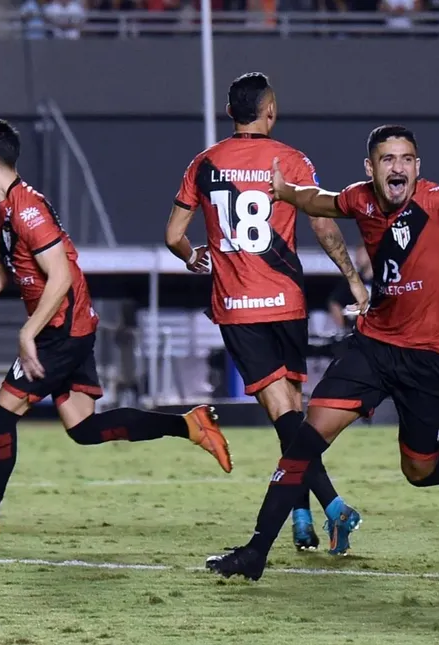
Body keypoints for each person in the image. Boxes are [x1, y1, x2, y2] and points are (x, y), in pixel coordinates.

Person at [204, 124, 439, 581]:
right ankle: (256, 552)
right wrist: (285, 192)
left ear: (417, 167)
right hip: (374, 345)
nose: (398, 167)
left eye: (406, 159)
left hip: (433, 358)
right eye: (388, 160)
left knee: (420, 470)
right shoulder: (358, 198)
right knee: (304, 441)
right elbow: (318, 201)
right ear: (371, 168)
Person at [0, 118, 231, 547]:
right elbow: (6, 263)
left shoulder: (28, 208)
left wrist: (27, 333)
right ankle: (191, 425)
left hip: (62, 330)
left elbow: (61, 277)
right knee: (83, 428)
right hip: (66, 326)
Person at [165, 73, 369, 554]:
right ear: (269, 111)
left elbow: (175, 234)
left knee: (284, 417)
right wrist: (354, 280)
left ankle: (334, 507)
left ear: (231, 113)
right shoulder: (292, 161)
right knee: (292, 412)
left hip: (238, 307)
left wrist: (192, 256)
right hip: (287, 303)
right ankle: (303, 517)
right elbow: (324, 226)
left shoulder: (205, 162)